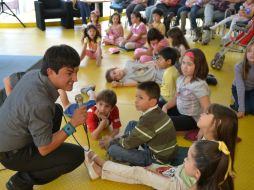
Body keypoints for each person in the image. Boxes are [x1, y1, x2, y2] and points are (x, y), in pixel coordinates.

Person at [0, 45, 86, 189]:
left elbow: (8, 80)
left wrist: (17, 109)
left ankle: (45, 158)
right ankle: (20, 182)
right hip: (12, 154)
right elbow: (44, 149)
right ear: (50, 72)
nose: (75, 79)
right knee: (76, 155)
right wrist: (73, 123)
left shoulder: (33, 74)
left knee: (57, 110)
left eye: (76, 72)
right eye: (70, 73)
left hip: (7, 137)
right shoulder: (40, 103)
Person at [85, 140, 235, 190]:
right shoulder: (213, 170)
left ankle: (102, 163)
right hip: (175, 173)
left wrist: (163, 174)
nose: (184, 159)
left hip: (174, 183)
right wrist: (167, 170)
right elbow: (183, 169)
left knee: (139, 172)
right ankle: (101, 172)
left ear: (197, 174)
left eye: (188, 159)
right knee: (142, 175)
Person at [99, 81, 177, 166]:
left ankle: (127, 154)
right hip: (165, 151)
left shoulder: (148, 120)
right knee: (132, 124)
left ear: (152, 102)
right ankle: (129, 144)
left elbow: (127, 144)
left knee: (113, 150)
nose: (136, 101)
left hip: (157, 160)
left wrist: (111, 141)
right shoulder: (157, 111)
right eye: (136, 96)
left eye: (140, 98)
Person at [162, 48, 210, 131]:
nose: (184, 67)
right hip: (180, 110)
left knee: (162, 122)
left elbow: (207, 109)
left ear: (198, 66)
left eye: (189, 64)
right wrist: (166, 106)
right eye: (183, 63)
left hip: (192, 119)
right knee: (156, 107)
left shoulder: (199, 85)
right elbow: (176, 98)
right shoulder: (180, 79)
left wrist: (203, 129)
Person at [231, 41, 254, 118]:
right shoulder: (239, 66)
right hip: (238, 88)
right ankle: (235, 99)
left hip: (251, 89)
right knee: (246, 110)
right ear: (246, 53)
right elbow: (240, 87)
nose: (252, 54)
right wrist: (241, 109)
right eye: (249, 51)